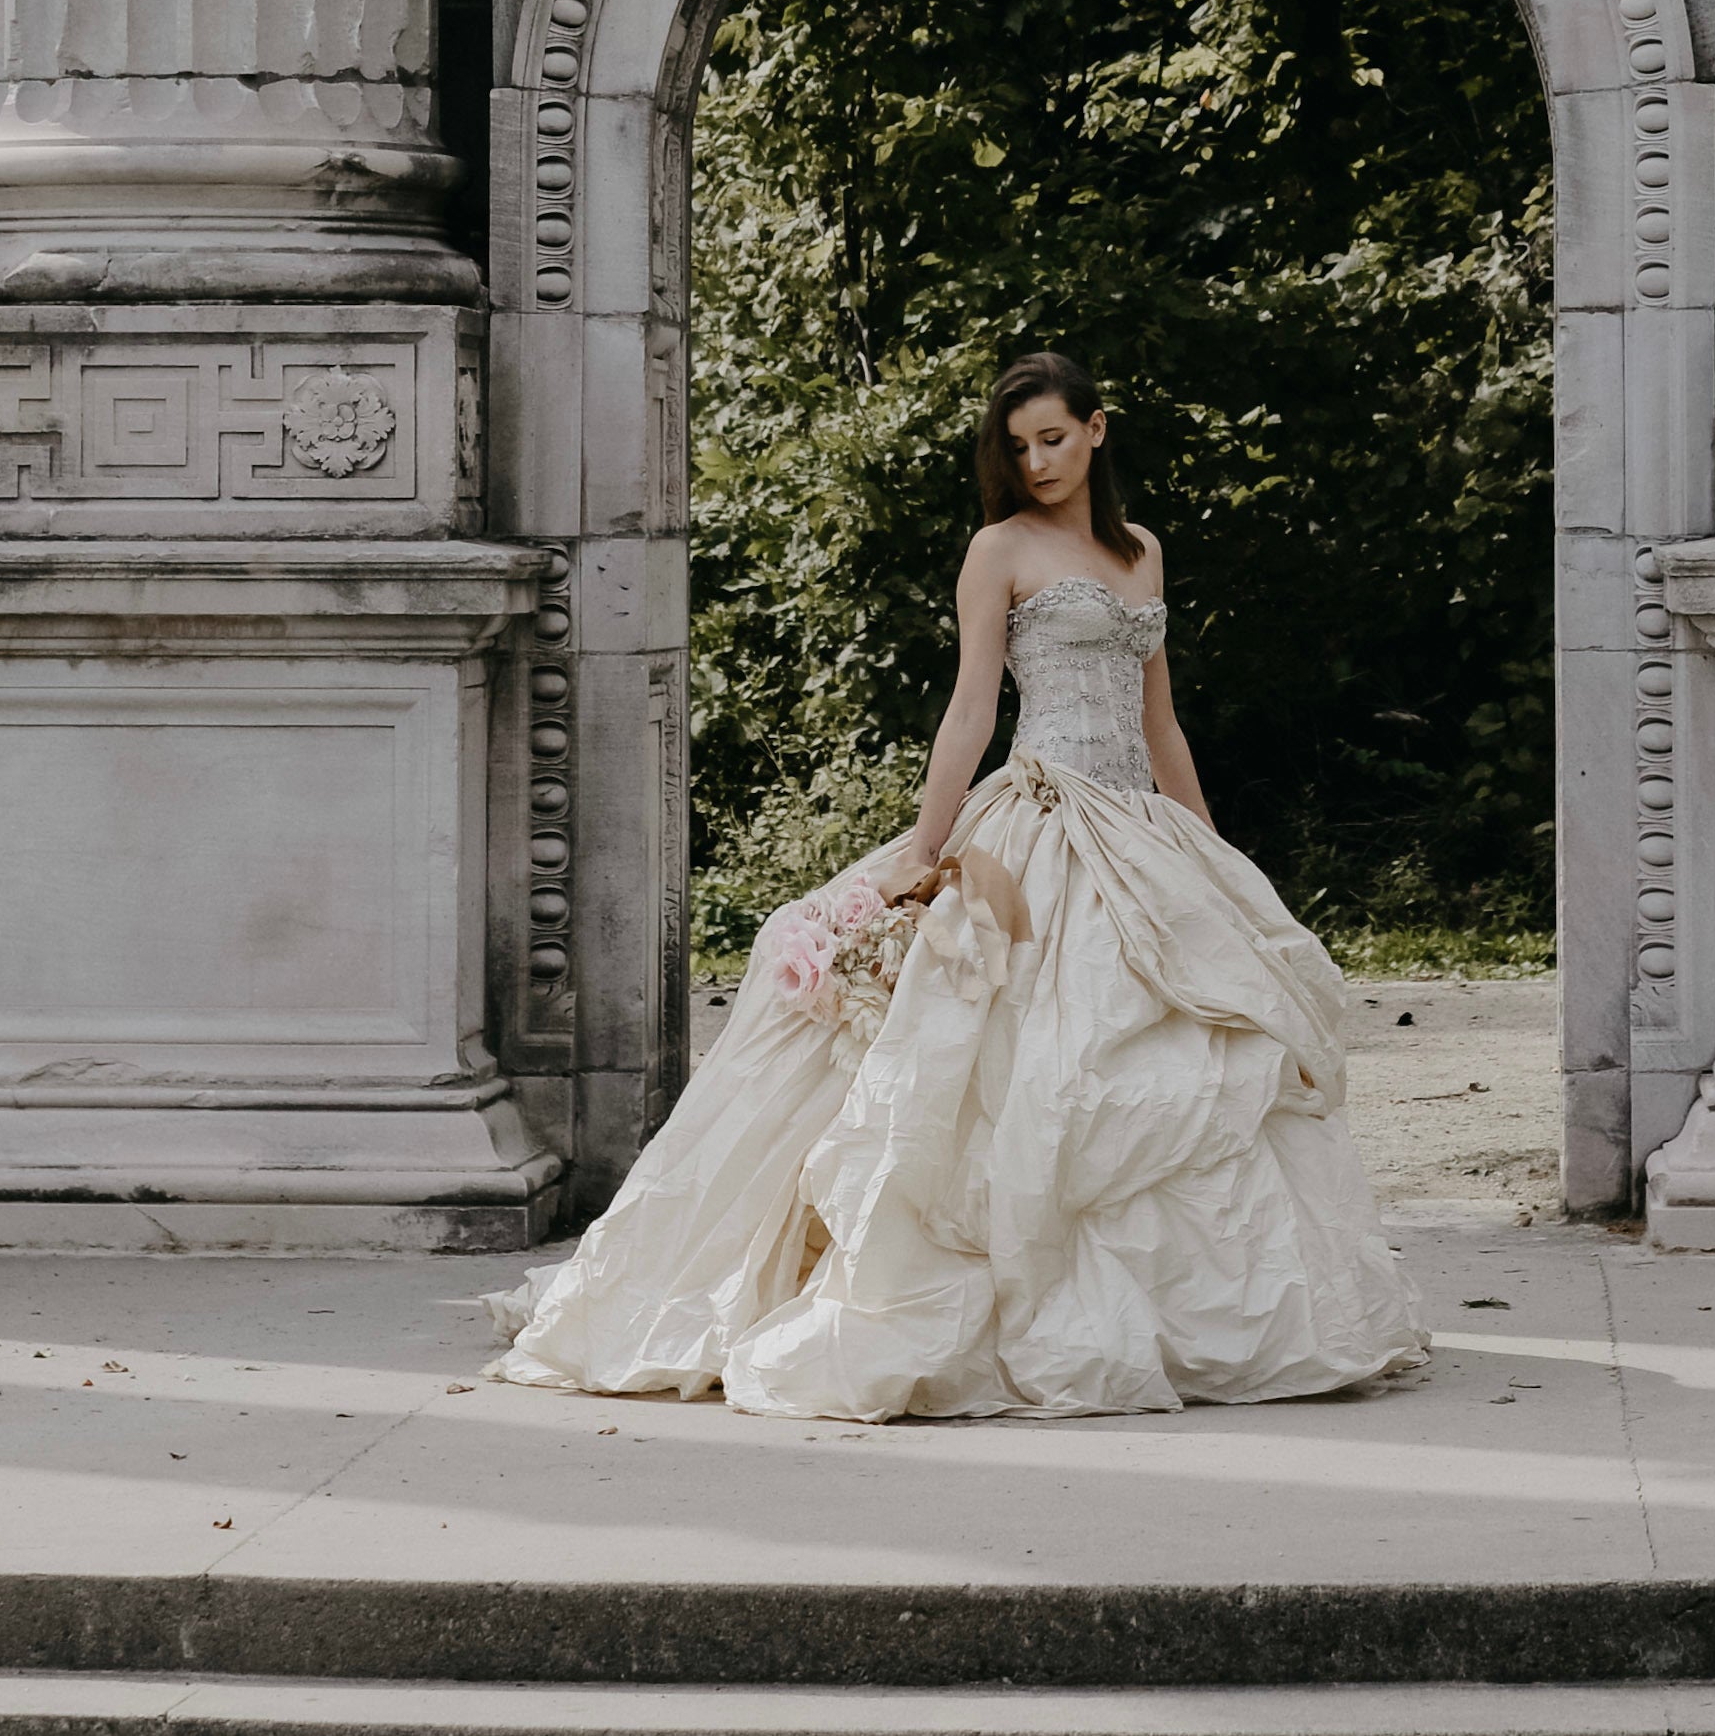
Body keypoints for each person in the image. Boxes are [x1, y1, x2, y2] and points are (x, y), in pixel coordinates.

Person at [484, 350, 1428, 1419]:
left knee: (1208, 1042)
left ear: (1098, 430)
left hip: (1141, 829)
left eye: (1055, 438)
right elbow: (972, 709)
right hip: (1040, 815)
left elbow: (1161, 721)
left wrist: (1214, 865)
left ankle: (1202, 1320)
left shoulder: (1142, 551)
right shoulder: (1000, 549)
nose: (1036, 461)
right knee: (1015, 1058)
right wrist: (925, 855)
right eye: (1019, 446)